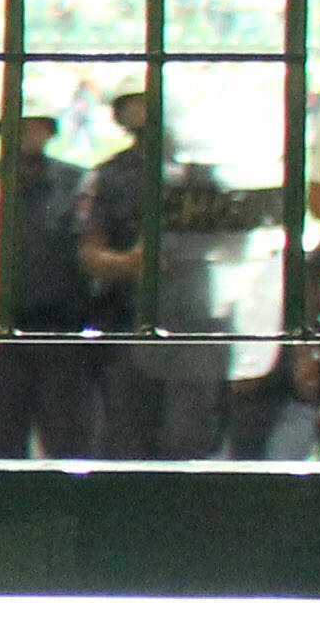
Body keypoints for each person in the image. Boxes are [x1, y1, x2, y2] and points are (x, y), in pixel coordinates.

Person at [77, 76, 227, 462]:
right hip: (129, 322)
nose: (144, 113)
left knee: (188, 441)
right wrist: (131, 265)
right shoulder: (106, 177)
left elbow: (231, 241)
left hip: (191, 323)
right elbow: (89, 253)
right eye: (135, 104)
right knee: (128, 443)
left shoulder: (200, 173)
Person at [0, 100, 98, 459]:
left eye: (36, 126)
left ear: (49, 131)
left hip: (63, 332)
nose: (28, 136)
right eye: (18, 127)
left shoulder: (78, 183)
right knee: (1, 443)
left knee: (68, 443)